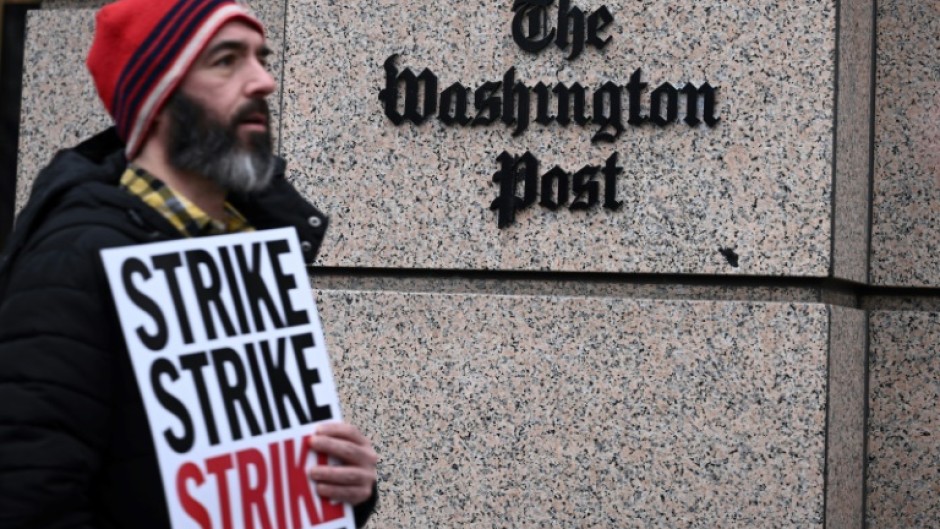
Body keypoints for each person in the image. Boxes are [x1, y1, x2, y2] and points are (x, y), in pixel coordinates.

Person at [0, 1, 378, 527]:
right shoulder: (74, 261)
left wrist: (345, 489)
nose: (264, 81)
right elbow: (29, 497)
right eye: (227, 60)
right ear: (158, 94)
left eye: (260, 58)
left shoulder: (249, 247)